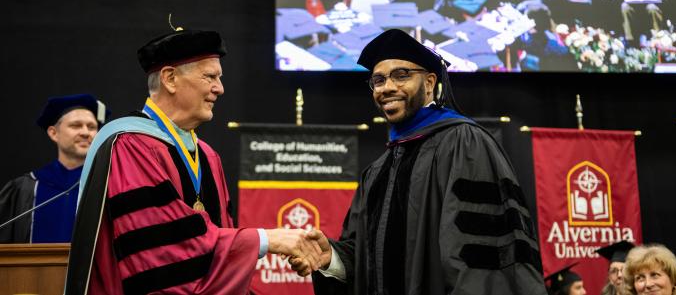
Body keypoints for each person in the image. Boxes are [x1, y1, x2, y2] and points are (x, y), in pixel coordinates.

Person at [63, 28, 323, 294]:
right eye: (210, 76)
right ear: (170, 78)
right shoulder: (131, 146)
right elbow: (163, 253)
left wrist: (262, 244)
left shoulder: (207, 156)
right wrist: (266, 239)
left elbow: (217, 257)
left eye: (220, 78)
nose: (220, 89)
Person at [294, 29, 546, 294]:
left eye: (401, 76)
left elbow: (482, 257)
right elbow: (367, 260)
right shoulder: (377, 171)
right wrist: (331, 259)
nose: (387, 87)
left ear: (429, 83)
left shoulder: (464, 143)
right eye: (378, 80)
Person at [0, 94, 108, 243]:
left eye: (92, 127)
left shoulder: (107, 185)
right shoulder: (26, 187)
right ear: (53, 133)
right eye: (76, 125)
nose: (85, 132)